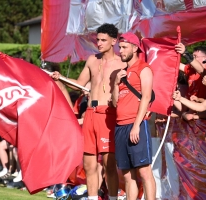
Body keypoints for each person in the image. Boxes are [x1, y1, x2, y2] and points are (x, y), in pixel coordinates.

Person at [52, 23, 124, 200]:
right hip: (90, 113)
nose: (99, 43)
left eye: (103, 40)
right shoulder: (92, 60)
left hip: (108, 114)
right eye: (98, 39)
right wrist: (60, 78)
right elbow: (79, 84)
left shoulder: (122, 63)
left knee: (109, 164)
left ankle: (112, 198)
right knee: (89, 164)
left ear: (114, 41)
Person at [112, 32, 156, 200]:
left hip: (135, 124)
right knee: (127, 175)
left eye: (124, 47)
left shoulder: (143, 68)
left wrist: (137, 125)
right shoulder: (122, 72)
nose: (120, 51)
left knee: (144, 171)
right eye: (120, 47)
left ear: (135, 47)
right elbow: (115, 103)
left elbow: (146, 97)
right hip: (120, 126)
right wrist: (116, 84)